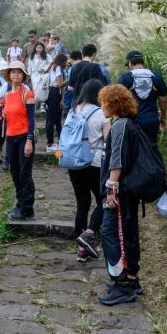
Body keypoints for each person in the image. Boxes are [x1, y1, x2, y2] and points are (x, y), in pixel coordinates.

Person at [97, 84, 148, 304]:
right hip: (127, 190)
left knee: (110, 232)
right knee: (127, 232)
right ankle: (131, 278)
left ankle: (122, 284)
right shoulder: (130, 123)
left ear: (113, 104)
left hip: (119, 191)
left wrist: (111, 189)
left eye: (104, 102)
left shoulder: (119, 126)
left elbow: (116, 159)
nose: (102, 107)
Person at [67, 79, 110, 263]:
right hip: (95, 164)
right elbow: (108, 143)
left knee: (82, 204)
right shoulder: (102, 114)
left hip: (74, 163)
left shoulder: (73, 110)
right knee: (103, 202)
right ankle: (89, 236)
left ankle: (81, 248)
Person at [0, 61, 37, 220]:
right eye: (13, 72)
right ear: (8, 75)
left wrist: (29, 140)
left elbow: (32, 120)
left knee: (24, 173)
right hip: (10, 137)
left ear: (23, 76)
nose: (16, 75)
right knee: (14, 172)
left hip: (24, 137)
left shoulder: (27, 94)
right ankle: (20, 204)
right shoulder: (6, 96)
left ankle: (28, 209)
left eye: (19, 72)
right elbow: (3, 114)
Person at [118, 51, 167, 144]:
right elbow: (163, 101)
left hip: (132, 122)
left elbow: (118, 100)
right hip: (151, 121)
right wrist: (162, 118)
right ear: (143, 62)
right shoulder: (156, 76)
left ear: (129, 63)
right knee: (151, 149)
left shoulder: (125, 78)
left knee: (134, 150)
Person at [44, 52, 68, 149]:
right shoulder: (57, 68)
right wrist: (69, 80)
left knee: (56, 120)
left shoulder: (54, 68)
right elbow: (59, 84)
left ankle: (56, 140)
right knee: (52, 120)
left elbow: (61, 87)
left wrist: (62, 99)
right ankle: (50, 142)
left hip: (55, 93)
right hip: (53, 92)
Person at [28, 41, 51, 112]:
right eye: (38, 48)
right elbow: (30, 67)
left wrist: (45, 69)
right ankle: (35, 103)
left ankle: (42, 105)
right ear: (35, 48)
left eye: (40, 48)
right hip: (34, 75)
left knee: (43, 89)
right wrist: (29, 75)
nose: (39, 49)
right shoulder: (32, 57)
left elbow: (50, 63)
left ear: (42, 48)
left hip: (43, 75)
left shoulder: (47, 56)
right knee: (35, 89)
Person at [63, 50, 83, 118]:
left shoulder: (72, 69)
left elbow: (70, 87)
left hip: (75, 94)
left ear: (71, 60)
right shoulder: (89, 65)